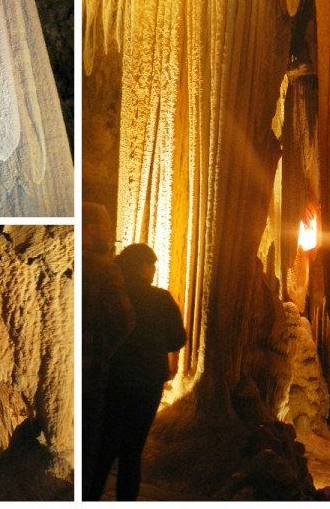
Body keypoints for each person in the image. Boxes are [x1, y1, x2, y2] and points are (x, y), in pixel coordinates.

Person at [89, 243, 186, 501]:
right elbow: (177, 339)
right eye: (151, 266)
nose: (154, 270)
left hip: (112, 381)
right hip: (147, 383)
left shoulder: (110, 293)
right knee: (131, 453)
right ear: (142, 267)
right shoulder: (160, 299)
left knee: (105, 449)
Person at [82, 203, 135, 501]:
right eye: (107, 226)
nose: (112, 233)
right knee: (88, 458)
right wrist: (106, 352)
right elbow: (125, 321)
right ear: (91, 229)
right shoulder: (104, 269)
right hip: (91, 381)